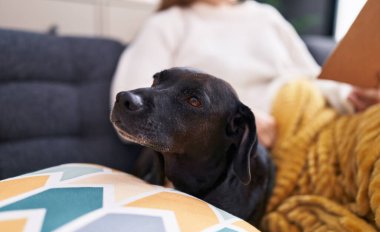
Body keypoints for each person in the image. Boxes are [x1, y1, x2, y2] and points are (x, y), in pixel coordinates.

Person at [111, 0, 380, 148]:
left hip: (313, 111)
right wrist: (235, 124)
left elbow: (313, 78)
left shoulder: (267, 17)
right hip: (259, 139)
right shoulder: (170, 23)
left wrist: (348, 95)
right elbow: (132, 106)